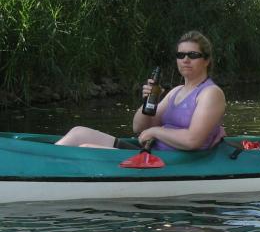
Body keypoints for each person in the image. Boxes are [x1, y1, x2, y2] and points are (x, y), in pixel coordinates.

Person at [56, 30, 226, 150]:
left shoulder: (210, 93)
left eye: (193, 55)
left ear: (206, 60)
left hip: (172, 160)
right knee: (78, 132)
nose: (185, 60)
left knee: (87, 148)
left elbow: (192, 140)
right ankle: (45, 169)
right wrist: (148, 102)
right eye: (180, 55)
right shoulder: (176, 91)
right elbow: (138, 127)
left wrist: (155, 131)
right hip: (151, 151)